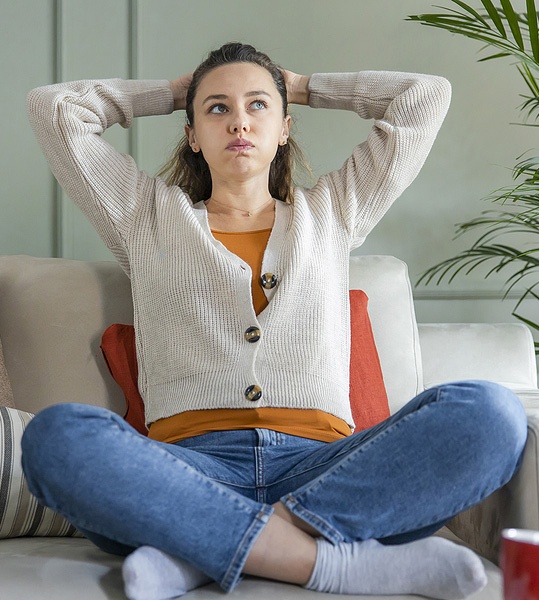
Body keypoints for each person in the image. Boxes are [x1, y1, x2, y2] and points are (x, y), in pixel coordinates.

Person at [21, 42, 526, 600]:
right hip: (190, 471)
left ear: (285, 127)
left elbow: (423, 98)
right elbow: (55, 108)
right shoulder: (146, 218)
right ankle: (328, 562)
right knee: (57, 436)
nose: (239, 120)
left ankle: (201, 552)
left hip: (328, 469)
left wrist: (305, 85)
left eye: (258, 105)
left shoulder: (333, 212)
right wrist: (170, 94)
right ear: (192, 134)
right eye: (216, 108)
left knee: (491, 413)